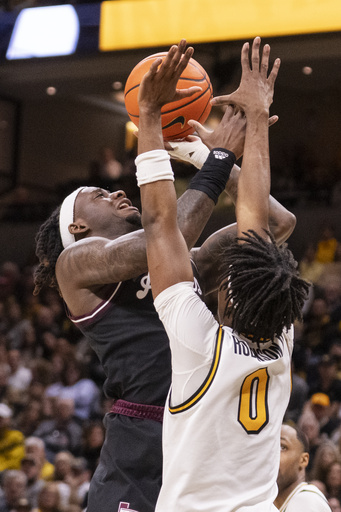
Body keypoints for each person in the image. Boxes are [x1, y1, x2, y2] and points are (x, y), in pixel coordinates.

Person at [33, 43, 296, 512]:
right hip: (140, 441)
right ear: (77, 227)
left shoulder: (181, 256)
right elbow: (162, 236)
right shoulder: (74, 267)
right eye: (96, 195)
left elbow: (276, 225)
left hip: (202, 430)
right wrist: (216, 162)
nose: (115, 191)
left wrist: (199, 150)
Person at [136, 37, 309, 511]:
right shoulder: (274, 344)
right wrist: (250, 127)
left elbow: (161, 223)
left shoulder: (210, 346)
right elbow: (172, 226)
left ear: (231, 293)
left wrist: (149, 116)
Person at [274, 423, 331, 511]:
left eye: (282, 447)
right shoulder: (266, 503)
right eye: (271, 448)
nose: (273, 454)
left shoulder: (308, 501)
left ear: (303, 460)